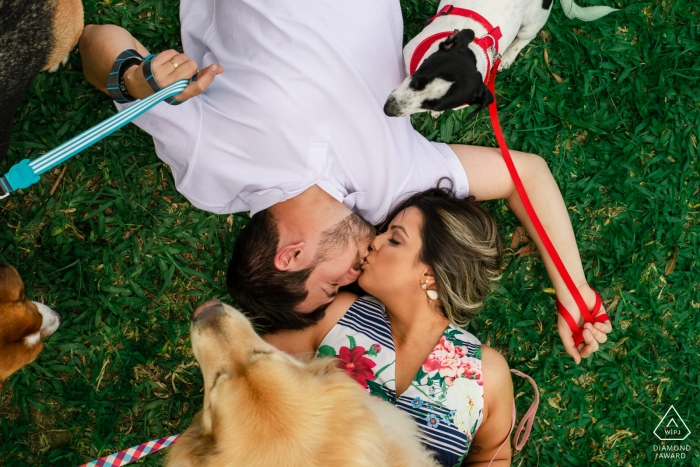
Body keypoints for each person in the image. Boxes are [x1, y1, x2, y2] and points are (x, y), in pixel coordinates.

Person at [78, 0, 611, 363]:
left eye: (333, 284)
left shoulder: (210, 173)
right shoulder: (393, 194)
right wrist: (575, 291)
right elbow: (527, 176)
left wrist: (136, 76)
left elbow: (93, 40)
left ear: (290, 256)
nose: (357, 274)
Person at [265, 185, 527, 466]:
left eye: (395, 239)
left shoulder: (485, 374)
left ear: (431, 275)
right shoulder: (336, 316)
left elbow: (491, 457)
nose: (375, 241)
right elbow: (255, 371)